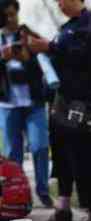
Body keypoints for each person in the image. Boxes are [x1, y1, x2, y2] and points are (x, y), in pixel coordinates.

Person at [28, 0, 91, 221]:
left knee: (85, 155)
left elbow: (86, 58)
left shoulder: (90, 23)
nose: (60, 4)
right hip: (59, 102)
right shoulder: (65, 28)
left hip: (81, 103)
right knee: (61, 155)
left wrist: (51, 48)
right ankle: (63, 207)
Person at [0, 0, 53, 208]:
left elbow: (47, 65)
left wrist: (26, 60)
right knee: (14, 153)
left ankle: (43, 190)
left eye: (12, 14)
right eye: (5, 16)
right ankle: (19, 196)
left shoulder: (30, 35)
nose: (10, 19)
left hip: (34, 104)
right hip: (7, 106)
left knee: (40, 146)